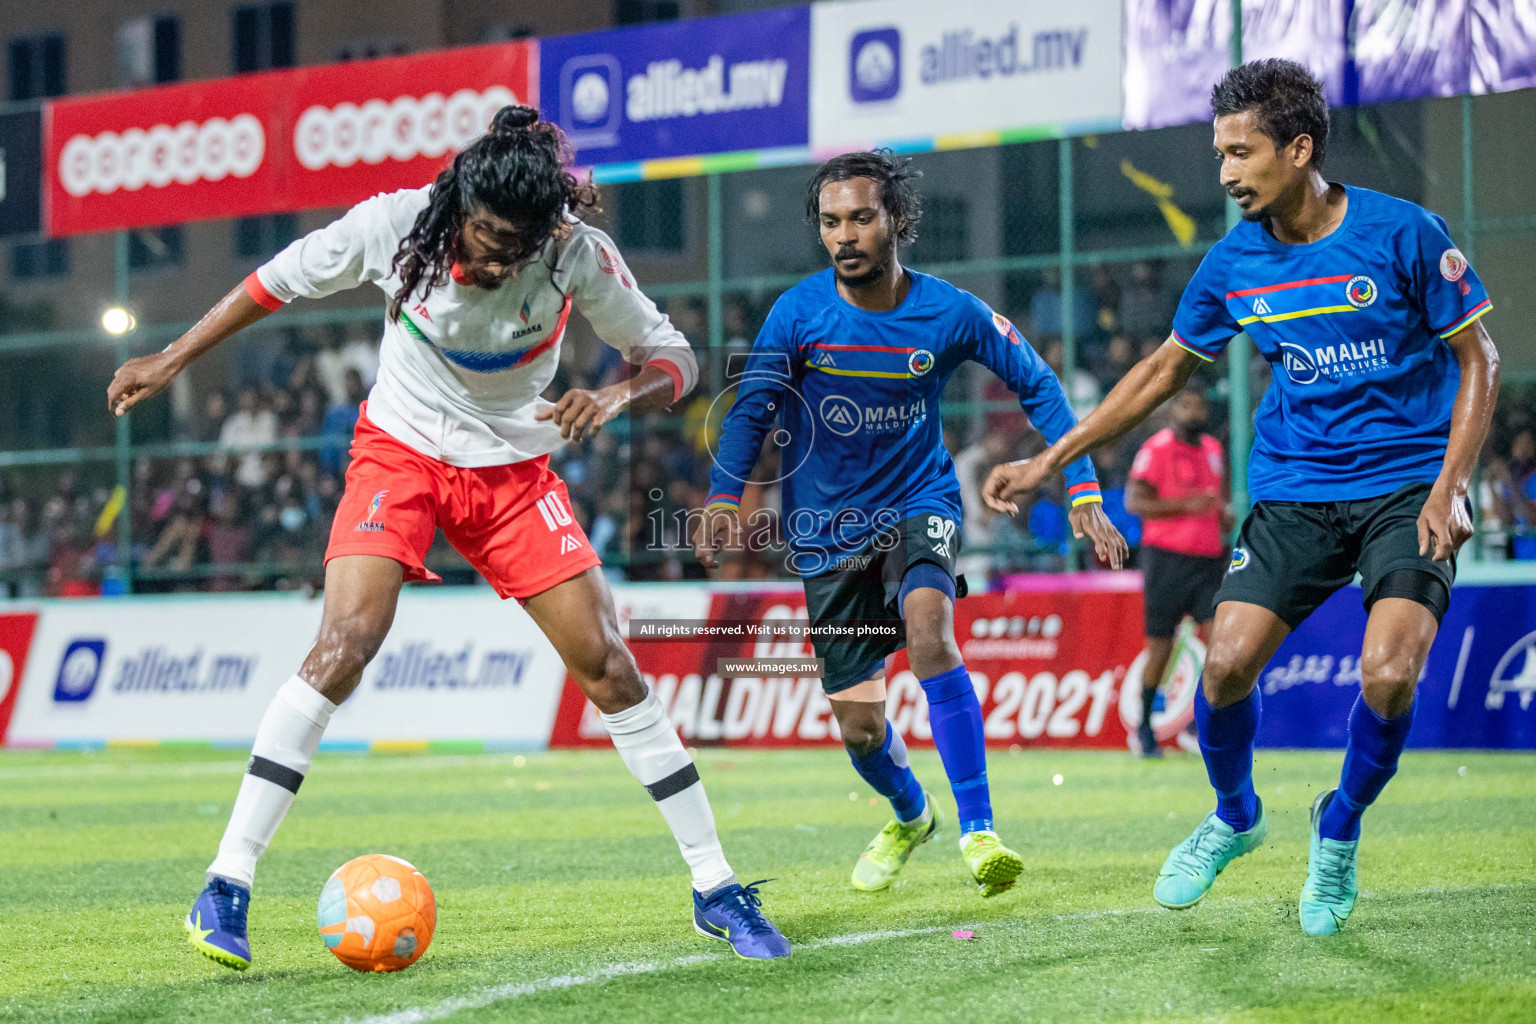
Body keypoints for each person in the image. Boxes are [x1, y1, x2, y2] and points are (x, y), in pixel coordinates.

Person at [106, 105, 789, 968]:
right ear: (457, 204)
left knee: (608, 665)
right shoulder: (394, 226)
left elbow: (674, 357)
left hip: (512, 475)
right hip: (400, 452)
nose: (491, 257)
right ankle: (226, 883)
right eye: (483, 234)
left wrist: (613, 398)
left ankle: (715, 887)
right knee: (345, 644)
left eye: (513, 244)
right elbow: (271, 283)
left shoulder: (576, 255)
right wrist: (171, 358)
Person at [983, 59, 1498, 935]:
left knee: (1389, 670)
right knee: (1222, 667)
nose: (1224, 173)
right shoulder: (1232, 263)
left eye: (1239, 152)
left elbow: (1477, 357)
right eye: (1219, 152)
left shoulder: (1405, 233)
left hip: (1407, 488)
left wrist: (1450, 489)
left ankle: (1337, 829)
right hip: (1295, 490)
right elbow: (1157, 373)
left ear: (1298, 149)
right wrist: (1050, 460)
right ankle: (1234, 816)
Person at [693, 150, 1127, 899]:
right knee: (861, 733)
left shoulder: (950, 310)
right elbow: (751, 411)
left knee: (930, 633)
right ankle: (910, 813)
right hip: (827, 534)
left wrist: (1080, 483)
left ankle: (978, 828)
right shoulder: (797, 313)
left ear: (897, 220)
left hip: (917, 505)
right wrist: (725, 498)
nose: (845, 235)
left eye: (861, 217)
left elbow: (1039, 383)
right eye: (831, 222)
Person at [1124, 386, 1232, 757]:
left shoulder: (1215, 450)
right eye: (1187, 404)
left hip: (1210, 560)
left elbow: (1218, 500)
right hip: (1166, 559)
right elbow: (1134, 501)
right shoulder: (1157, 449)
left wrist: (1223, 514)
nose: (1195, 411)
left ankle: (1199, 723)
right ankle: (1144, 728)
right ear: (1173, 410)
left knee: (1222, 641)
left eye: (1200, 404)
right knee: (1161, 647)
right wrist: (1187, 504)